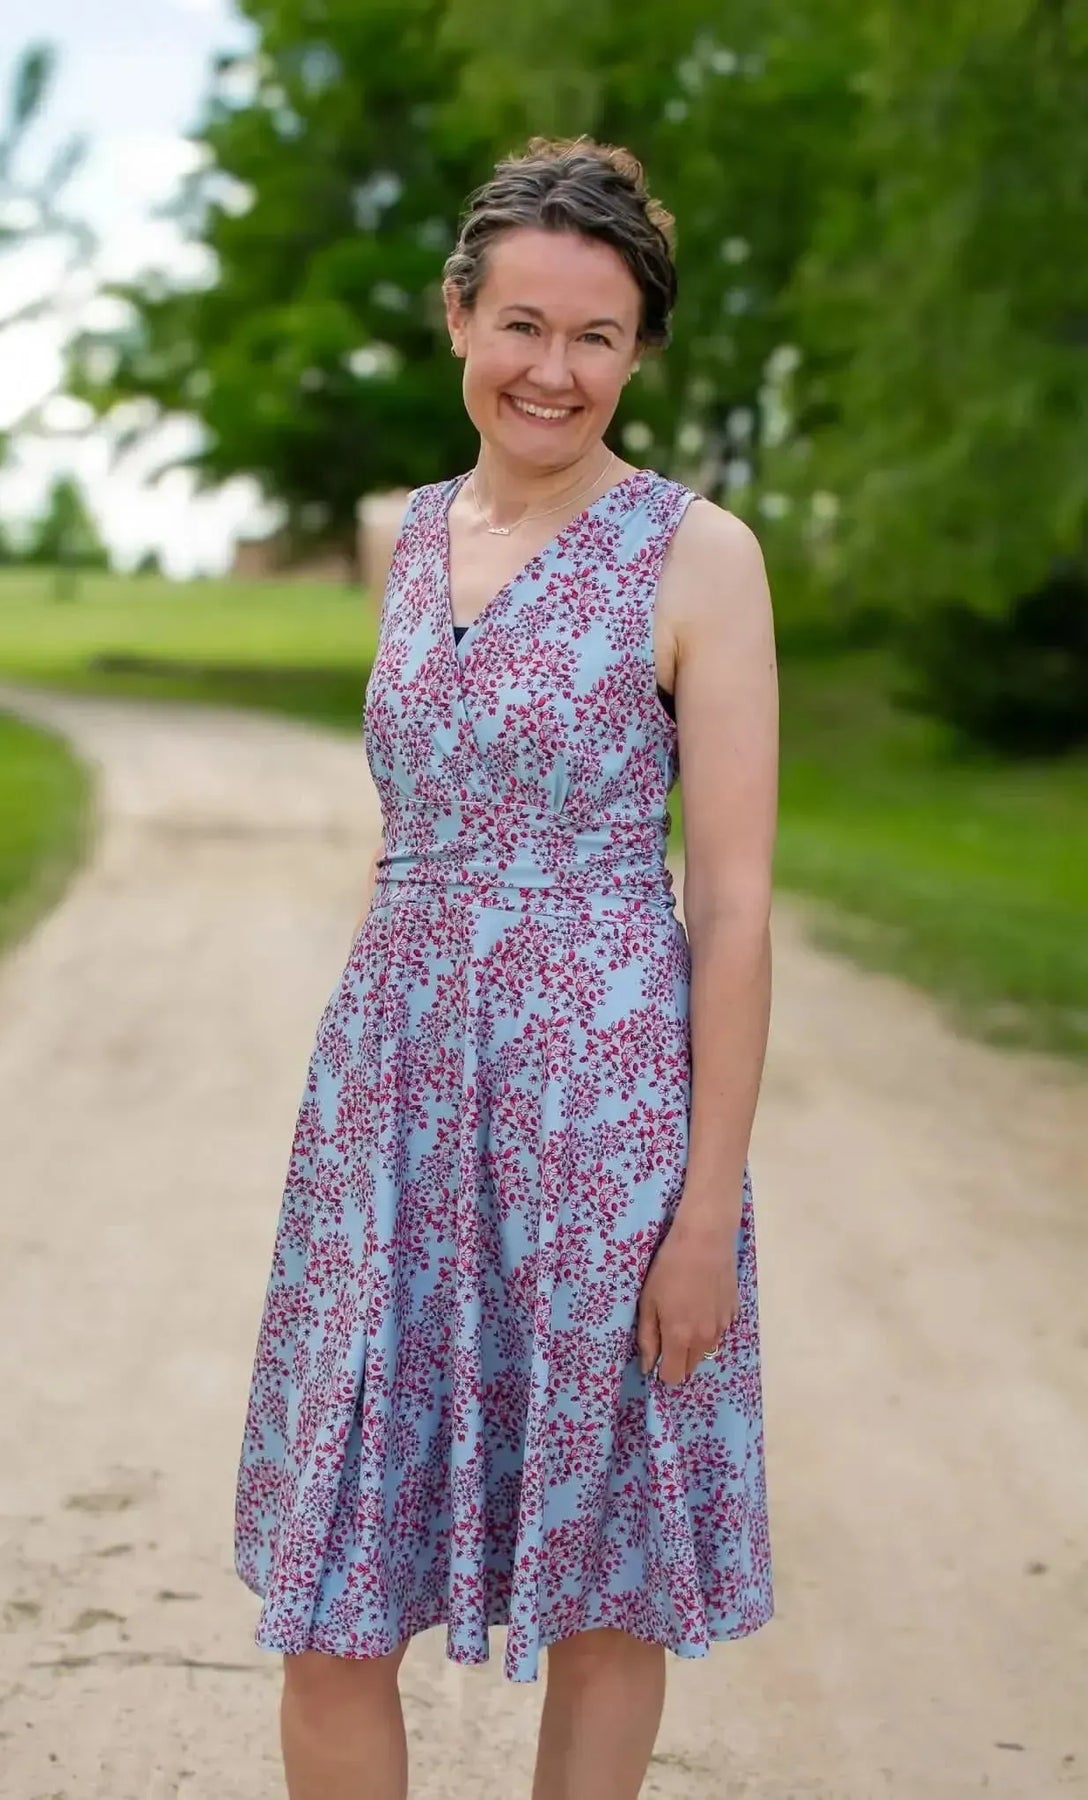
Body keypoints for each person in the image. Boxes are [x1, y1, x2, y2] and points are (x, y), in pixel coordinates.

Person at [234, 134, 778, 1800]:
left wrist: (703, 1218)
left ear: (639, 354)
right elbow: (413, 835)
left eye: (597, 336)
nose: (555, 369)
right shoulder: (401, 538)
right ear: (459, 318)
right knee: (333, 1587)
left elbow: (736, 903)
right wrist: (354, 1123)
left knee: (609, 1588)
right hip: (387, 1111)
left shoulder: (701, 556)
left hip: (601, 1128)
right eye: (523, 324)